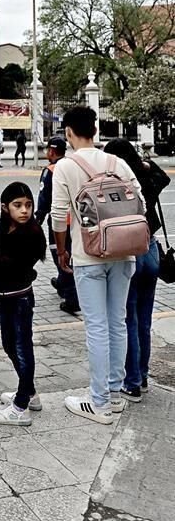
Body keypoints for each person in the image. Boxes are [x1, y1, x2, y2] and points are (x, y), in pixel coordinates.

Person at [51, 106, 144, 424]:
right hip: (124, 251)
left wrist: (61, 250)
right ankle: (115, 396)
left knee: (97, 327)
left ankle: (99, 401)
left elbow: (57, 214)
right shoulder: (116, 162)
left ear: (68, 132)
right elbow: (139, 201)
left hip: (88, 254)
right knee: (118, 323)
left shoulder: (66, 166)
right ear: (95, 129)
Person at [104, 139, 170, 401]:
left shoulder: (116, 183)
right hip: (150, 249)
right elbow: (163, 177)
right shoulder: (145, 177)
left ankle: (131, 382)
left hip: (129, 252)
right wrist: (144, 162)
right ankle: (141, 376)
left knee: (127, 318)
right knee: (144, 319)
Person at [0, 182, 46, 425]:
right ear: (5, 207)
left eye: (28, 205)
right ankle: (29, 392)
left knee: (22, 347)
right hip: (2, 296)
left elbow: (10, 264)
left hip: (20, 297)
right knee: (9, 344)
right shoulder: (1, 227)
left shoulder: (31, 233)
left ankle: (20, 406)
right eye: (17, 205)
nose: (24, 210)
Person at [35, 137, 80, 314]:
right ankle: (62, 283)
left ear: (51, 151)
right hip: (76, 221)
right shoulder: (72, 167)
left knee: (61, 257)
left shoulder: (51, 170)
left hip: (59, 222)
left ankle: (71, 298)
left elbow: (44, 199)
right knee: (72, 254)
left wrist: (37, 221)